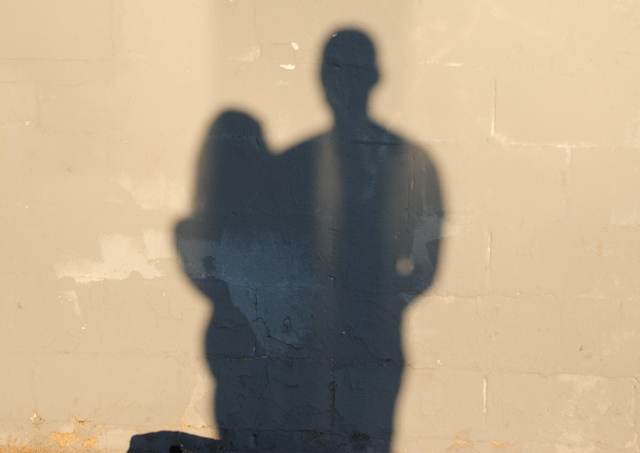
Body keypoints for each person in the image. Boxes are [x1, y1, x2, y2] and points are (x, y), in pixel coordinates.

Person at [272, 28, 444, 451]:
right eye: (338, 75)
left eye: (352, 73)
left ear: (373, 79)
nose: (343, 87)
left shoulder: (408, 159)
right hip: (317, 333)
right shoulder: (298, 160)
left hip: (371, 333)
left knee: (364, 433)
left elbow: (426, 260)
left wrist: (379, 300)